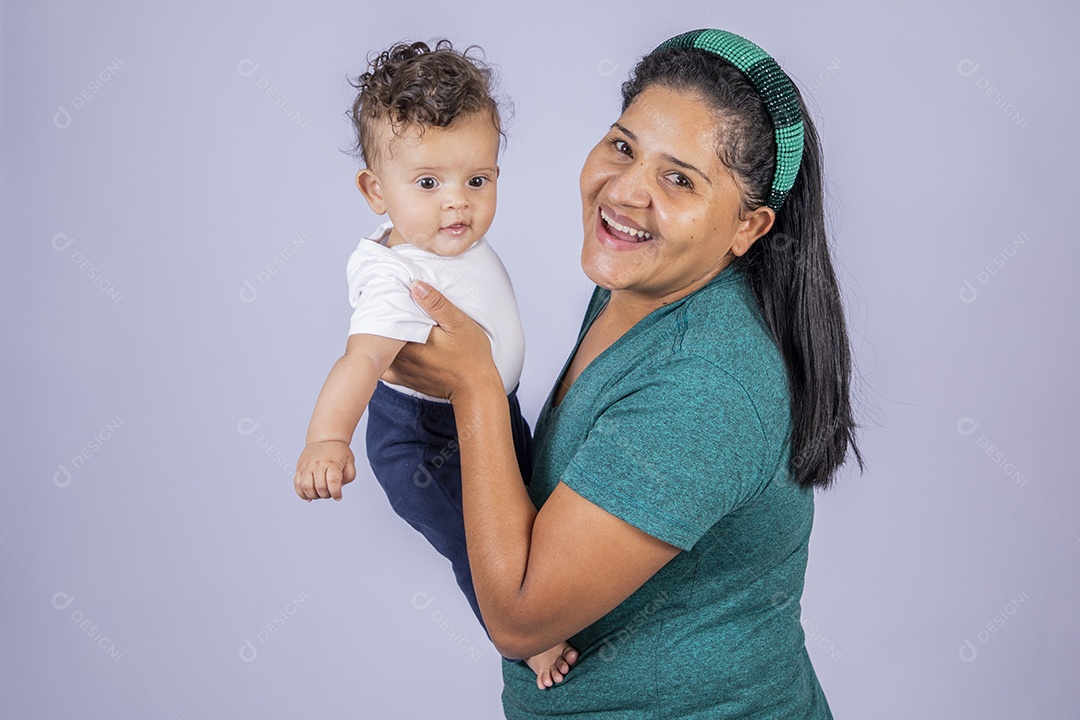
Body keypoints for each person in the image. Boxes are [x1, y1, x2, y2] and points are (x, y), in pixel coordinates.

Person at [380, 28, 866, 718]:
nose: (626, 191)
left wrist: (475, 386)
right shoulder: (639, 282)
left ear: (748, 229)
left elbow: (521, 621)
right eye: (623, 146)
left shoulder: (705, 384)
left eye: (679, 179)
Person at [292, 40, 575, 685]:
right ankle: (524, 640)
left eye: (478, 180)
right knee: (481, 547)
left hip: (491, 409)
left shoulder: (445, 237)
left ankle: (563, 597)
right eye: (428, 183)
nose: (457, 202)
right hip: (423, 440)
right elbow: (361, 359)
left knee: (532, 514)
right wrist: (327, 438)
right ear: (375, 190)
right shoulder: (394, 275)